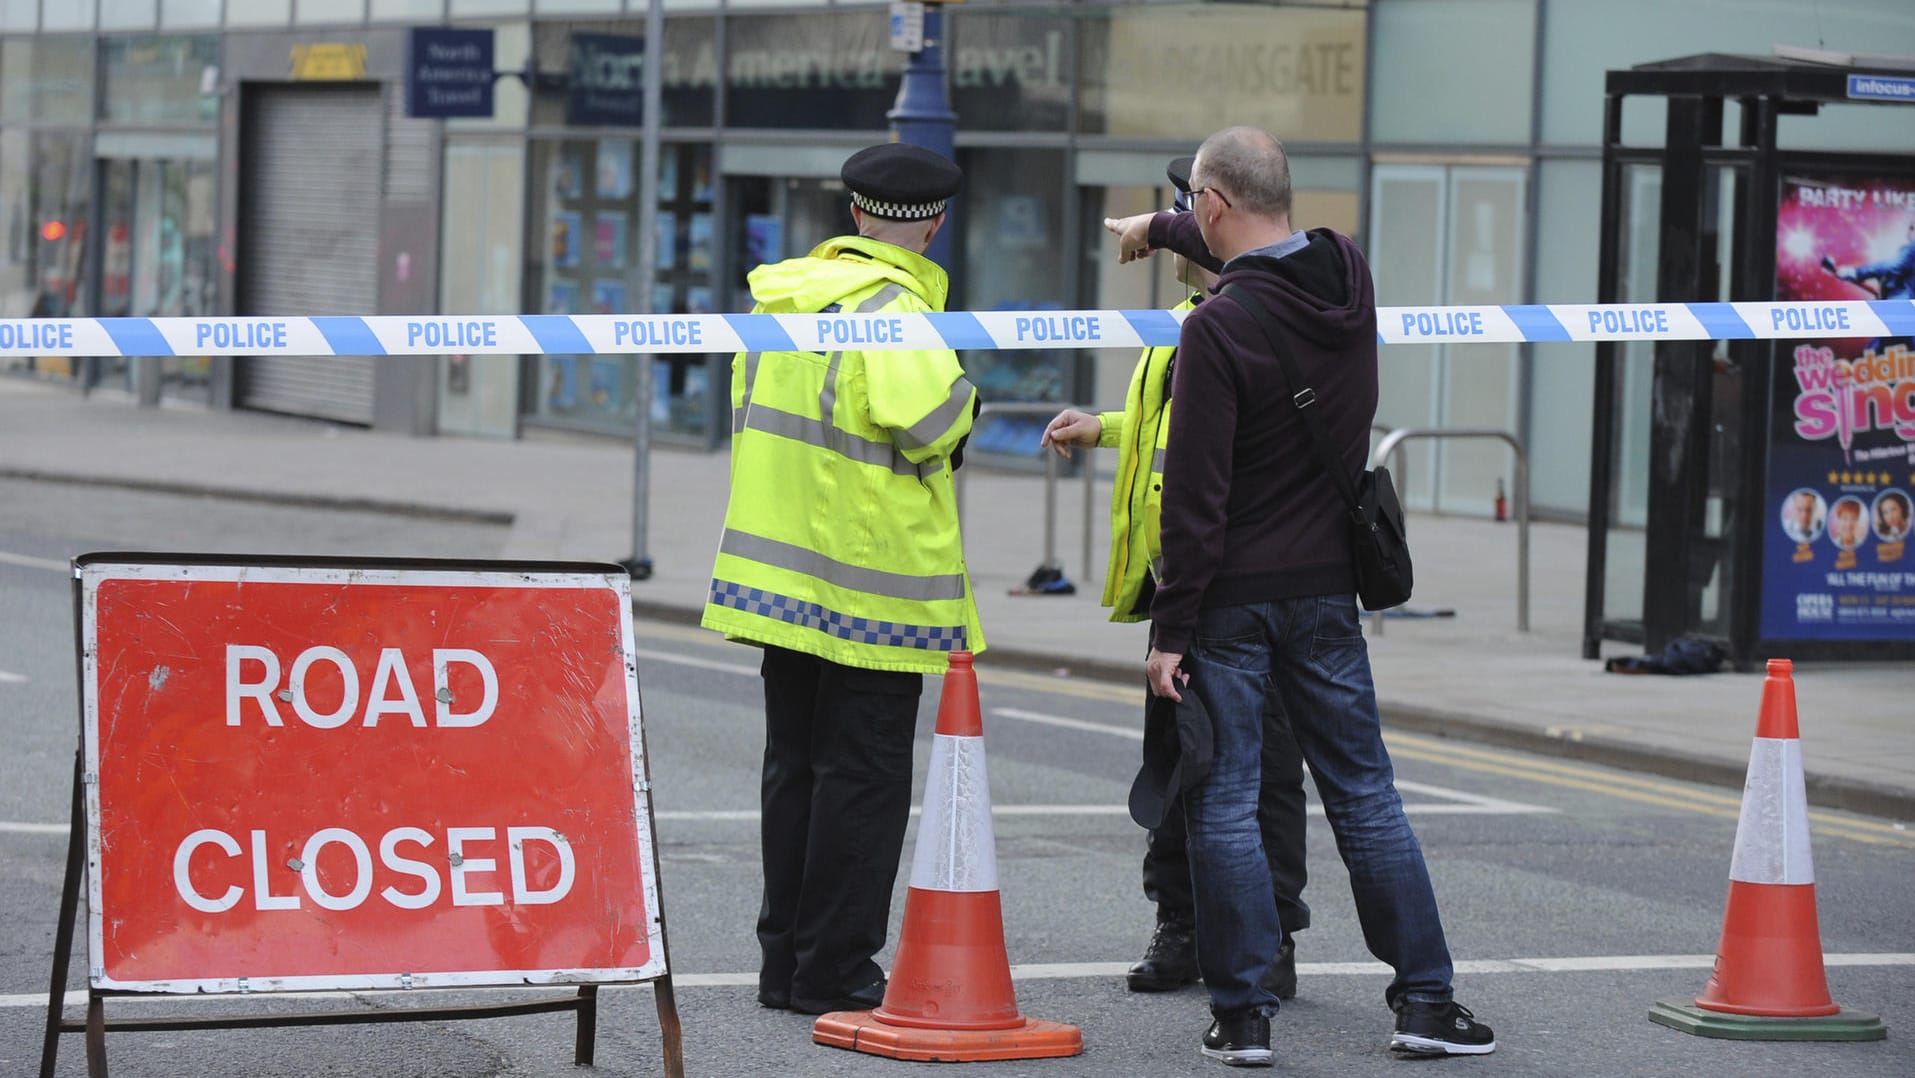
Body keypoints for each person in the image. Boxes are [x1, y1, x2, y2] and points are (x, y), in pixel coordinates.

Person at [1105, 126, 1495, 1065]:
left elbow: (1196, 499)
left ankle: (1242, 1019)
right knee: (1365, 798)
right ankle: (1426, 1004)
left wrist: (1171, 629)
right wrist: (1164, 224)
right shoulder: (1346, 277)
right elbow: (1245, 239)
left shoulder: (1216, 330)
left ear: (1212, 204)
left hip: (1233, 600)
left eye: (1195, 205)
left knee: (1228, 804)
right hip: (1327, 592)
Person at [700, 142, 984, 1017]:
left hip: (779, 582)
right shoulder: (893, 308)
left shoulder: (783, 295)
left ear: (854, 213)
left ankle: (783, 962)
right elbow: (932, 422)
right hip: (870, 590)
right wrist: (970, 395)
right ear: (930, 227)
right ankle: (833, 971)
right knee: (860, 781)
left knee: (794, 770)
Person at [1040, 155, 1309, 1001]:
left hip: (1246, 579)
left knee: (1260, 771)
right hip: (1177, 575)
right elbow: (1174, 430)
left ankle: (1268, 937)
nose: (1176, 228)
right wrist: (1105, 428)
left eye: (1182, 211)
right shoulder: (1187, 318)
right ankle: (1182, 923)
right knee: (1175, 765)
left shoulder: (1259, 313)